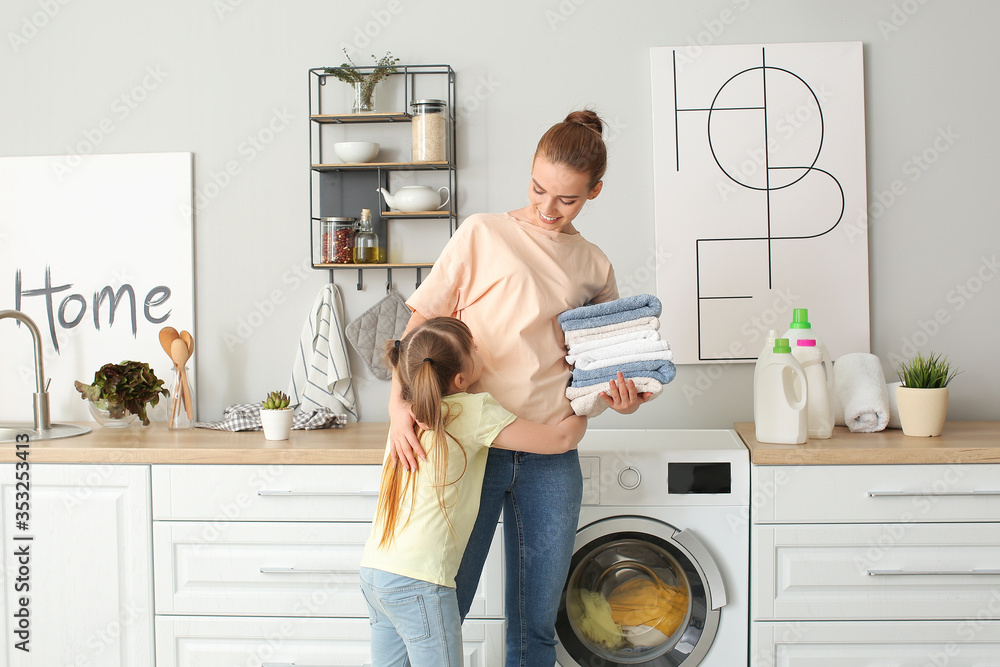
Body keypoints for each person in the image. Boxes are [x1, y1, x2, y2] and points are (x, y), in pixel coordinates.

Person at [388, 110, 651, 666]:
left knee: (536, 626)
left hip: (550, 457)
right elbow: (416, 336)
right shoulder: (483, 233)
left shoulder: (594, 264)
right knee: (444, 610)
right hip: (468, 450)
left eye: (568, 199)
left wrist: (617, 399)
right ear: (529, 173)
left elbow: (598, 368)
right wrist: (397, 410)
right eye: (538, 189)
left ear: (595, 192)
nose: (547, 209)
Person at [360, 317, 588, 666]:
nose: (481, 350)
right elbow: (560, 439)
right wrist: (586, 403)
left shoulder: (404, 423)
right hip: (420, 583)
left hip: (376, 573)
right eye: (475, 348)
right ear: (461, 379)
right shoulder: (473, 409)